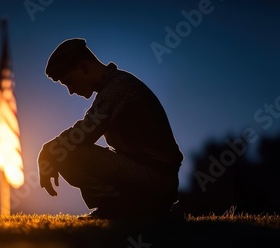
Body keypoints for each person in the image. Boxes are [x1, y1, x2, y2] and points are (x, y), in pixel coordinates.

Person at [37, 38, 183, 220]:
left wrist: (48, 151)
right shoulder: (113, 86)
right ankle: (120, 207)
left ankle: (117, 208)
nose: (71, 91)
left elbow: (85, 132)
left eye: (70, 82)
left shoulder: (118, 87)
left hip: (156, 182)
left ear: (83, 67)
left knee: (67, 153)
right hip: (153, 179)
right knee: (62, 150)